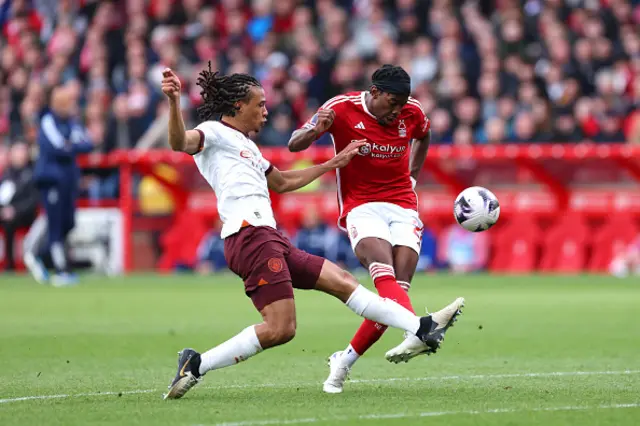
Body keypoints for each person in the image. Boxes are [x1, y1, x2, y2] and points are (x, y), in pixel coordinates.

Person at [160, 64, 464, 400]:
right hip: (248, 236)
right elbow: (178, 142)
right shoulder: (213, 134)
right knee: (281, 328)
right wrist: (174, 102)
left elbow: (284, 182)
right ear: (237, 107)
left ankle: (421, 327)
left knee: (344, 281)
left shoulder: (250, 149)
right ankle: (197, 364)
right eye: (259, 104)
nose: (265, 110)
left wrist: (333, 163)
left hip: (270, 237)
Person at [288, 64, 455, 394]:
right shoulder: (339, 109)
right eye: (393, 102)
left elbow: (424, 135)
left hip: (403, 204)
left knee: (394, 296)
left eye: (403, 103)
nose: (398, 111)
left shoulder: (412, 111)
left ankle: (343, 361)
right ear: (375, 92)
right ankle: (422, 329)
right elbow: (294, 144)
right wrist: (312, 132)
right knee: (386, 279)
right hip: (361, 206)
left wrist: (413, 177)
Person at [24, 83, 94, 286]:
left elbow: (87, 143)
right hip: (51, 180)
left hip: (68, 181)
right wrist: (73, 146)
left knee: (68, 223)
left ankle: (42, 256)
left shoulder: (72, 123)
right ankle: (61, 269)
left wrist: (71, 146)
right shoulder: (48, 121)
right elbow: (58, 147)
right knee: (54, 224)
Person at [0, 142, 38, 271]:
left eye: (22, 151)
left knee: (10, 223)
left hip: (25, 214)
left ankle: (9, 264)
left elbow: (33, 200)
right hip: (6, 212)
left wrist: (15, 210)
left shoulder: (31, 173)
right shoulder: (6, 174)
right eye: (17, 151)